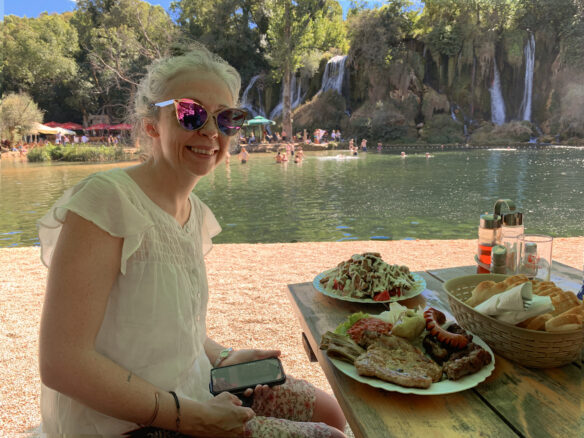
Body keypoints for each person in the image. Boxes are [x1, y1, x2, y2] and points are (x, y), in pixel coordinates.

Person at [37, 44, 346, 437]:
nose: (211, 132)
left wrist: (225, 357)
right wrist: (190, 416)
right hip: (126, 420)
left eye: (226, 118)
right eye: (190, 113)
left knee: (331, 412)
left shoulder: (194, 211)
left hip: (199, 386)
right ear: (152, 124)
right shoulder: (106, 200)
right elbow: (63, 363)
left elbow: (176, 328)